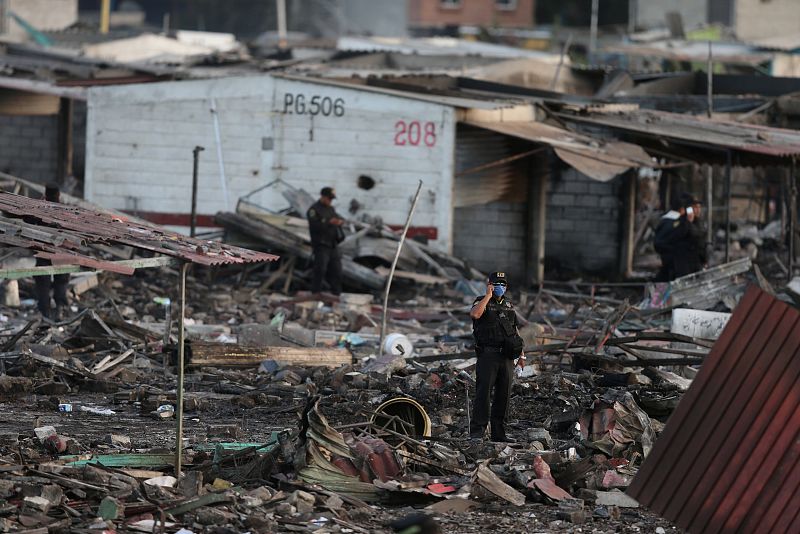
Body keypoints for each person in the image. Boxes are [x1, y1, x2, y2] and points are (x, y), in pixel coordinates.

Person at [469, 271, 525, 442]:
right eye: (496, 284)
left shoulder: (508, 305)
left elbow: (514, 331)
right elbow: (475, 315)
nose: (500, 287)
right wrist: (488, 296)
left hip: (506, 357)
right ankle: (477, 433)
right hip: (488, 355)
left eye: (502, 284)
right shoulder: (481, 301)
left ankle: (499, 434)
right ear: (489, 284)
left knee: (503, 395)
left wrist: (521, 355)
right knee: (483, 394)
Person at [35, 184, 69, 319]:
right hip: (62, 252)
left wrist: (38, 203)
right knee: (61, 279)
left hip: (44, 250)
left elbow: (27, 219)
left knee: (43, 281)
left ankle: (45, 313)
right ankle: (59, 309)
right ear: (59, 195)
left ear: (46, 194)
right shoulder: (66, 211)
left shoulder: (40, 209)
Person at [654, 193, 706, 281]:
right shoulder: (676, 223)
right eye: (694, 207)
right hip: (678, 269)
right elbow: (661, 243)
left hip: (687, 268)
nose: (697, 210)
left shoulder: (691, 223)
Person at [307, 187, 345, 295]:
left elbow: (337, 219)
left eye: (331, 199)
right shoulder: (314, 210)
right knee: (320, 269)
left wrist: (339, 222)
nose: (330, 201)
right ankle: (316, 292)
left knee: (337, 269)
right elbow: (314, 226)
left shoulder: (331, 209)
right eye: (329, 199)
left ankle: (336, 292)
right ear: (323, 197)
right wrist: (328, 222)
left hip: (332, 244)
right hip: (321, 245)